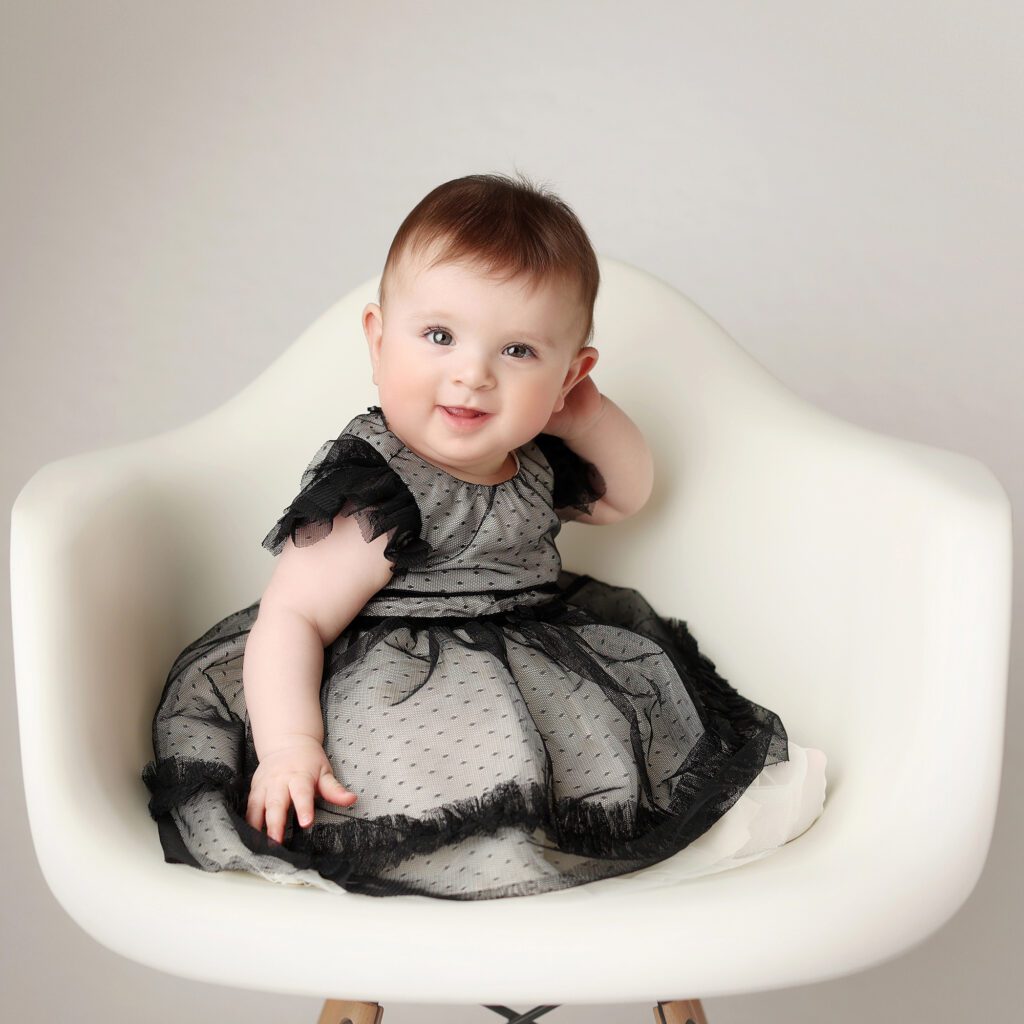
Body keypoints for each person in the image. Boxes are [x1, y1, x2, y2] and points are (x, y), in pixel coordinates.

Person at [142, 171, 827, 900]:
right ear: (378, 343)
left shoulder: (534, 460)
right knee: (440, 776)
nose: (472, 374)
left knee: (587, 760)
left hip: (532, 657)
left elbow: (625, 497)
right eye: (439, 336)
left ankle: (561, 844)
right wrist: (288, 747)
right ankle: (474, 856)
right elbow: (294, 617)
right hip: (401, 682)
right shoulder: (381, 490)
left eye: (519, 352)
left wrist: (588, 419)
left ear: (570, 376)